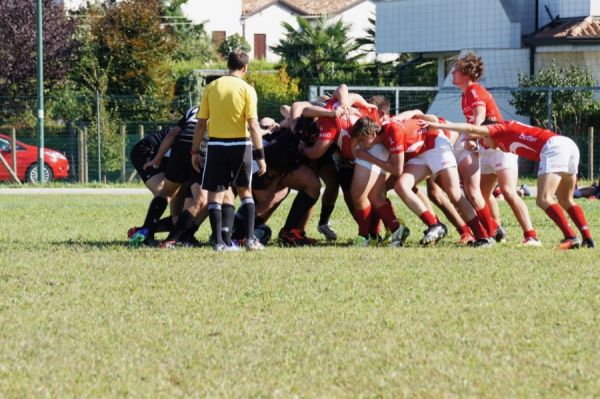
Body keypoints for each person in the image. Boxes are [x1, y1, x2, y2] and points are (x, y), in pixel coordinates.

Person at [424, 119, 595, 249]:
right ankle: (587, 238)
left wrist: (439, 126)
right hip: (568, 145)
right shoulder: (500, 140)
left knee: (543, 199)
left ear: (487, 132)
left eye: (482, 140)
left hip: (553, 147)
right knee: (565, 199)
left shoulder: (498, 128)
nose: (482, 145)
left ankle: (570, 237)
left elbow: (471, 128)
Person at [352, 114, 493, 246]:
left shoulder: (393, 131)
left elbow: (397, 170)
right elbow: (414, 113)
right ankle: (434, 225)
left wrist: (369, 157)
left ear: (371, 135)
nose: (360, 144)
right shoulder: (384, 128)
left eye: (361, 140)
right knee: (401, 186)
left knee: (454, 193)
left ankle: (483, 237)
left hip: (436, 144)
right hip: (420, 152)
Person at [452, 53, 539, 244]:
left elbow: (479, 116)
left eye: (456, 69)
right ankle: (496, 230)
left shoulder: (474, 90)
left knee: (508, 191)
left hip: (499, 147)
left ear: (467, 73)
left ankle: (531, 236)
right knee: (481, 195)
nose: (452, 72)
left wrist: (470, 136)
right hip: (485, 148)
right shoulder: (465, 94)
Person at [190, 50, 267, 251]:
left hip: (216, 146)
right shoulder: (248, 89)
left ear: (228, 66)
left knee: (215, 194)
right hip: (241, 145)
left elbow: (200, 124)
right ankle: (250, 240)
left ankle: (218, 243)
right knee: (245, 192)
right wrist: (260, 156)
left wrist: (194, 152)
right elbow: (253, 125)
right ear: (245, 68)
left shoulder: (212, 87)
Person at [128, 106, 199, 246]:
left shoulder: (195, 113)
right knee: (167, 190)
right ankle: (147, 231)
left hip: (170, 156)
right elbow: (172, 136)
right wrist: (156, 159)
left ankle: (145, 230)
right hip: (147, 151)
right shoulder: (200, 121)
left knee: (179, 193)